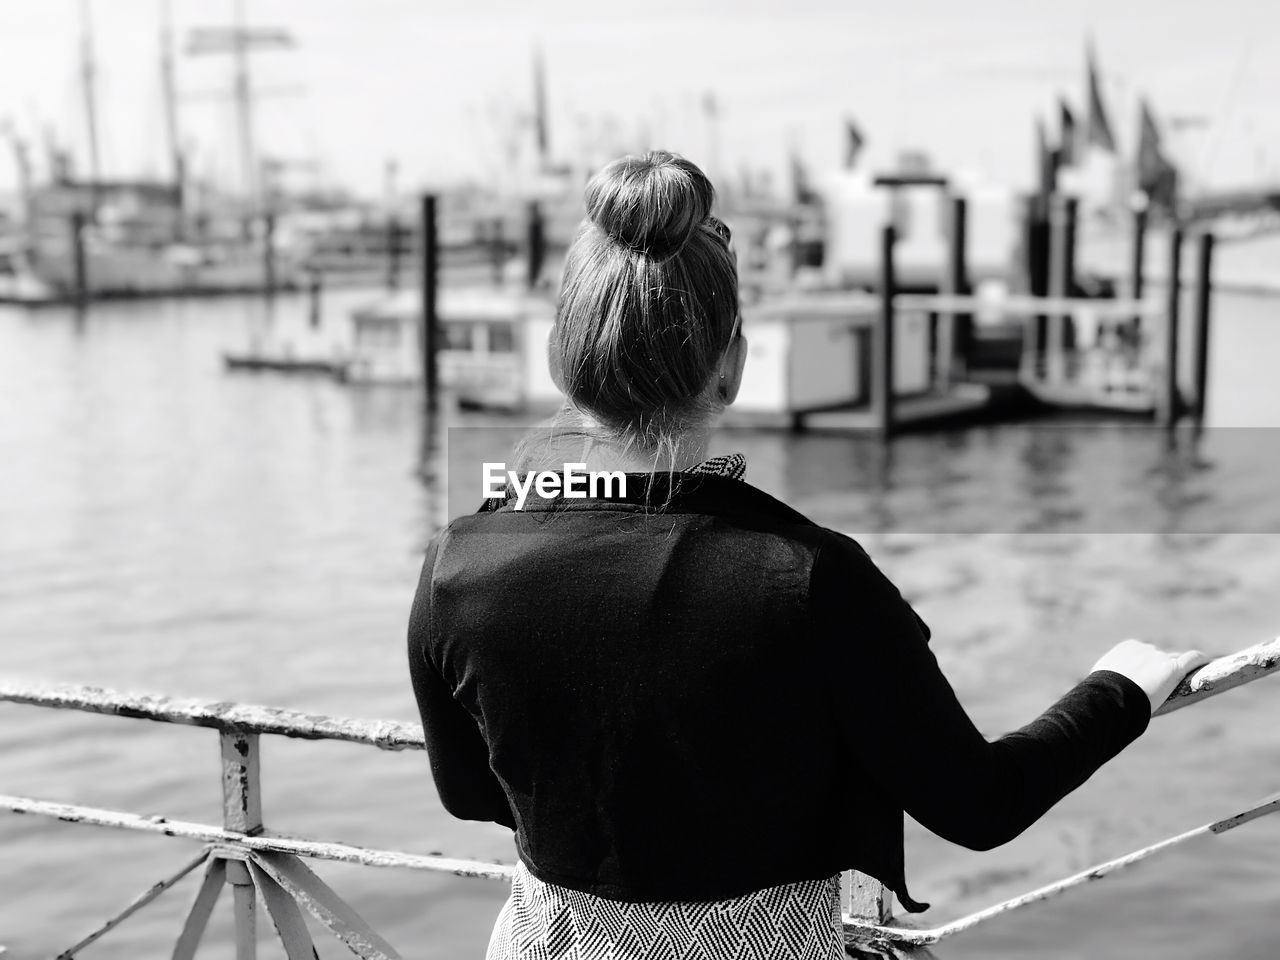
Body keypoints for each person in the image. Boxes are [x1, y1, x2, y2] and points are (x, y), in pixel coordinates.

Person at [406, 150, 1207, 960]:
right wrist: (1120, 691)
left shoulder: (458, 566)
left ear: (560, 361)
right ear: (733, 368)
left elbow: (470, 793)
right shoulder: (809, 579)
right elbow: (979, 806)